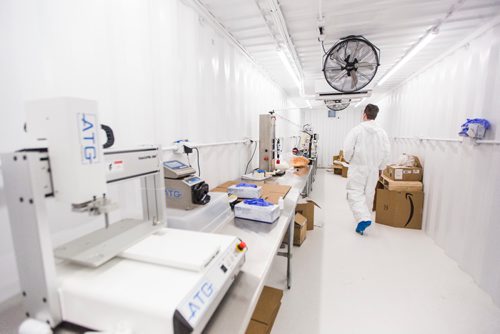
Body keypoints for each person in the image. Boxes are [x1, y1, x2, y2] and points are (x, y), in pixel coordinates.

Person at [343, 104, 390, 235]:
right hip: (374, 169)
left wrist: (349, 159)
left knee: (354, 192)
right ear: (375, 115)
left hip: (358, 167)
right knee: (369, 193)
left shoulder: (357, 130)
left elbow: (347, 149)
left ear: (364, 114)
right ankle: (366, 218)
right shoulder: (382, 133)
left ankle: (363, 218)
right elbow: (387, 152)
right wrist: (381, 167)